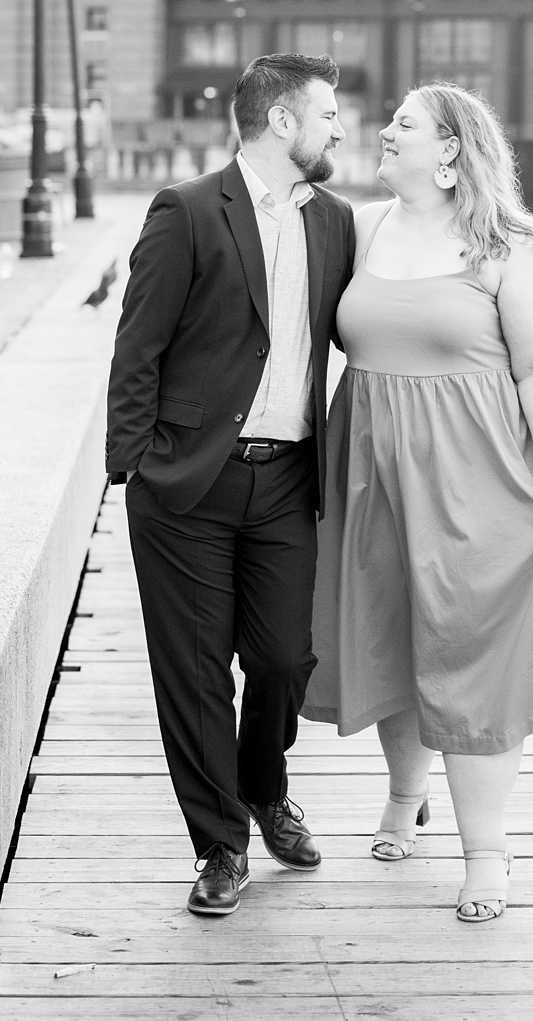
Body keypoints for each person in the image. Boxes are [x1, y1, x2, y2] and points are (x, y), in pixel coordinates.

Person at [302, 81, 533, 923]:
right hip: (367, 471)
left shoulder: (510, 245)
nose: (385, 133)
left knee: (471, 654)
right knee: (386, 635)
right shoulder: (362, 228)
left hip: (478, 477)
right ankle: (406, 794)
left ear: (449, 149)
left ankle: (487, 852)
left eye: (404, 124)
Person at [105, 53, 355, 918]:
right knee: (196, 672)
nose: (339, 127)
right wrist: (131, 462)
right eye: (328, 112)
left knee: (285, 658)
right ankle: (220, 844)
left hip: (287, 478)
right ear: (282, 121)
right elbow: (138, 346)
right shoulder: (186, 209)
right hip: (188, 482)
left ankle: (264, 784)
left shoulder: (338, 222)